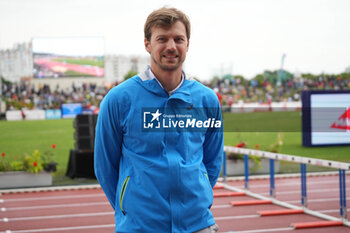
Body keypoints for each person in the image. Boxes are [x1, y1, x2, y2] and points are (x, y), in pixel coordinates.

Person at [94, 7, 223, 233]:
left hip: (198, 224)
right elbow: (104, 167)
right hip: (140, 227)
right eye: (162, 39)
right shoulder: (118, 100)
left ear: (187, 44)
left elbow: (212, 161)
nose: (171, 46)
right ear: (147, 44)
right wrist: (130, 209)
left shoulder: (207, 100)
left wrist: (194, 202)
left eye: (178, 39)